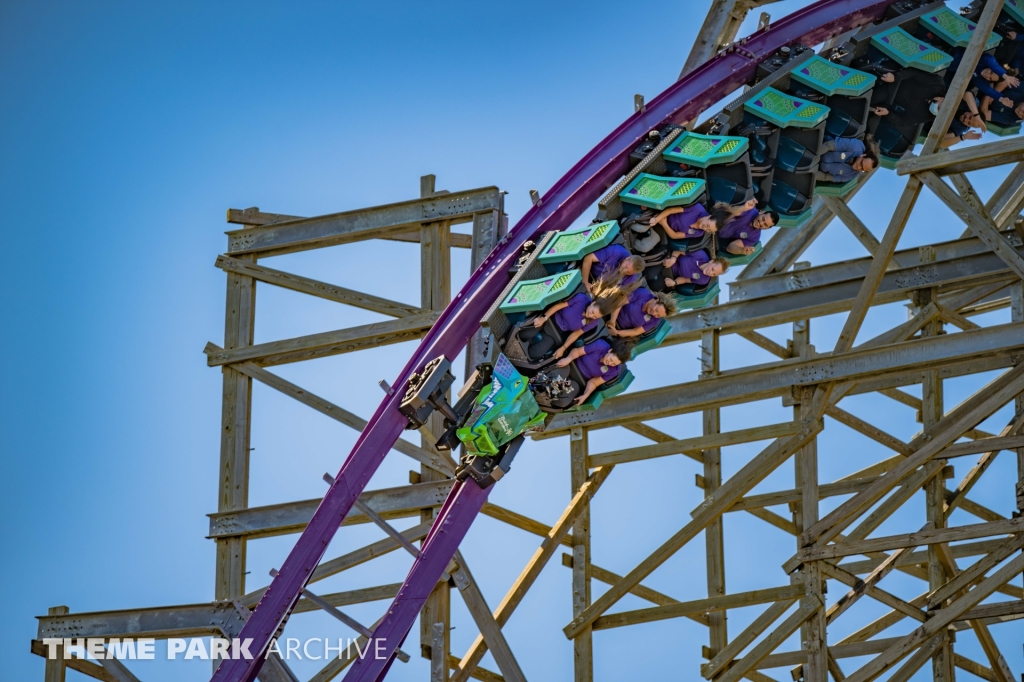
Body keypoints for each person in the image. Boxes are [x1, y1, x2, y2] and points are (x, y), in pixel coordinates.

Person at [527, 282, 630, 360]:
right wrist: (544, 317)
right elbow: (559, 306)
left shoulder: (593, 322)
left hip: (557, 333)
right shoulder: (581, 299)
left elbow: (576, 334)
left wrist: (563, 348)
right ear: (593, 303)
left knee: (534, 354)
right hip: (550, 319)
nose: (592, 315)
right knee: (524, 333)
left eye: (595, 316)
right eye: (593, 312)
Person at [554, 337, 634, 406]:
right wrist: (568, 359)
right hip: (571, 366)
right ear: (610, 351)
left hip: (578, 381)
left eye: (614, 364)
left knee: (563, 401)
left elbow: (594, 382)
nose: (610, 363)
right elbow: (578, 351)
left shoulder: (614, 371)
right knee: (553, 378)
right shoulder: (600, 345)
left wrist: (585, 395)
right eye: (610, 359)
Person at [609, 287, 678, 338]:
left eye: (658, 315)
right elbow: (619, 303)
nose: (654, 314)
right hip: (611, 313)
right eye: (656, 310)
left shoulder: (654, 321)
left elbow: (635, 331)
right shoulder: (642, 294)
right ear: (656, 301)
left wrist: (617, 332)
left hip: (619, 330)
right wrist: (612, 322)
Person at [648, 202, 734, 241]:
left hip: (663, 228)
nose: (705, 228)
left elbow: (675, 235)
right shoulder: (697, 209)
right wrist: (657, 219)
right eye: (707, 225)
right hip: (661, 213)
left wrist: (664, 224)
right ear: (709, 216)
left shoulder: (699, 233)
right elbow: (671, 210)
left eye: (708, 230)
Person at [579, 243, 644, 293]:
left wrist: (600, 291)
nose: (624, 270)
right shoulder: (616, 251)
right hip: (585, 272)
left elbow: (617, 292)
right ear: (627, 258)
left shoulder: (631, 278)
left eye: (628, 272)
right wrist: (585, 282)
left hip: (597, 286)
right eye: (626, 266)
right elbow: (588, 258)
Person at [815, 137, 879, 183]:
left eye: (862, 169)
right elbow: (829, 145)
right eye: (861, 164)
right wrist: (814, 155)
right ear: (863, 155)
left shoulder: (851, 175)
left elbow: (826, 177)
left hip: (816, 168)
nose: (859, 167)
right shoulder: (856, 146)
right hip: (818, 147)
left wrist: (812, 172)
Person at [661, 249, 729, 290]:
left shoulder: (703, 279)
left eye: (714, 274)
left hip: (669, 274)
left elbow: (685, 279)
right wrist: (672, 259)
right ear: (711, 261)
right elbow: (678, 251)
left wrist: (674, 283)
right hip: (668, 259)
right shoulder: (700, 254)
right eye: (712, 269)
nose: (710, 273)